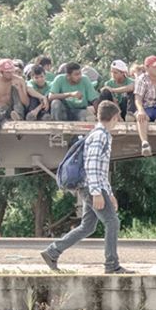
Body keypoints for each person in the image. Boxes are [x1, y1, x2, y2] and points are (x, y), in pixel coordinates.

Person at [43, 101, 127, 274]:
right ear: (113, 117)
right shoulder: (100, 136)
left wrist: (109, 193)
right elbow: (92, 165)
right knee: (112, 222)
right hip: (91, 187)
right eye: (117, 118)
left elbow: (101, 170)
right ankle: (112, 264)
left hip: (91, 186)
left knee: (88, 226)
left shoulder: (98, 134)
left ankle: (52, 252)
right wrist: (97, 193)